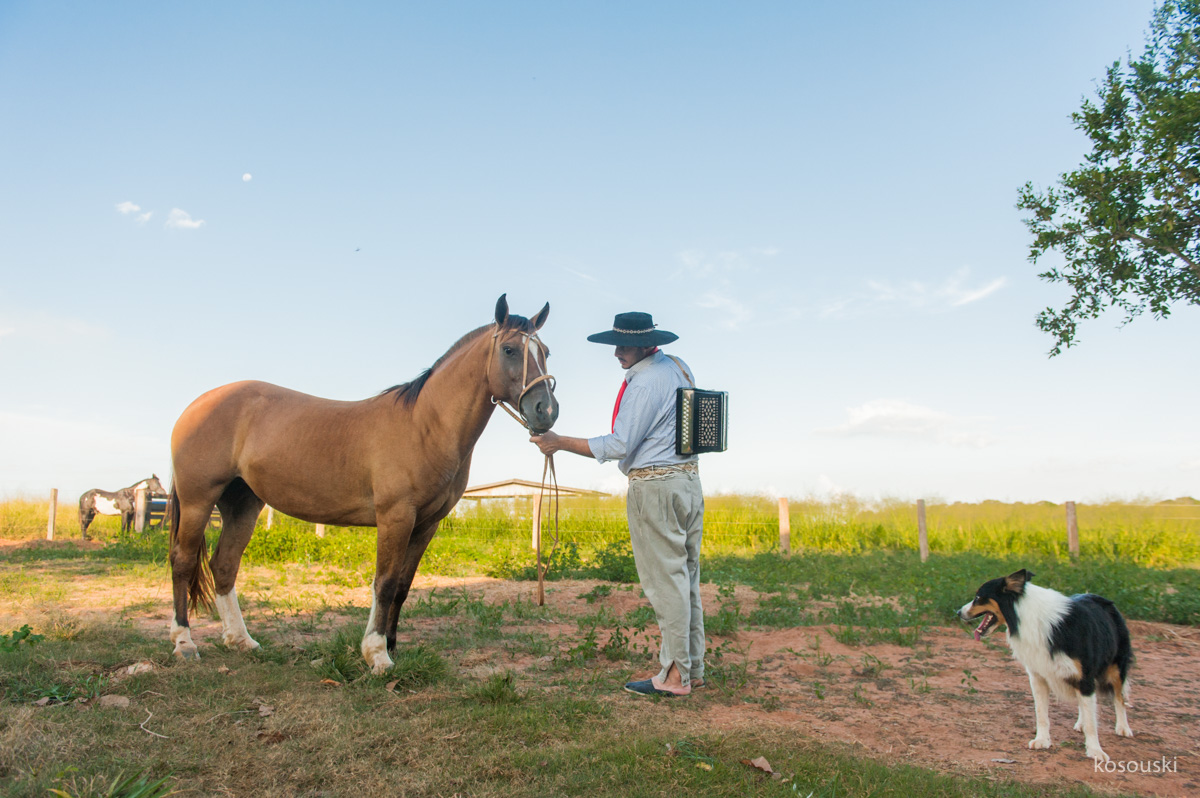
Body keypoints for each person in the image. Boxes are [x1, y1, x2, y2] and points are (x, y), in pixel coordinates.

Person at [530, 311, 705, 697]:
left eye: (623, 346)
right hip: (688, 482)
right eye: (615, 346)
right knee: (685, 578)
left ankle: (675, 677)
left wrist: (560, 442)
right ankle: (691, 668)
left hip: (655, 487)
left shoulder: (645, 382)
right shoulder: (677, 367)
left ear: (644, 344)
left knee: (665, 583)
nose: (617, 353)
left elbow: (620, 444)